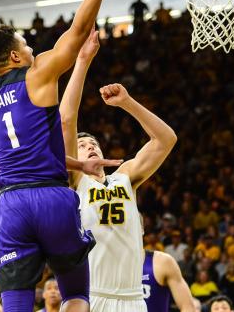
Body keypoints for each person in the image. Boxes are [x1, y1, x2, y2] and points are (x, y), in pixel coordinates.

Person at [0, 0, 121, 312]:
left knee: (17, 301)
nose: (31, 46)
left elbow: (25, 150)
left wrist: (75, 162)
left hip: (11, 205)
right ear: (13, 57)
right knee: (75, 294)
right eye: (25, 44)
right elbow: (76, 31)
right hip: (51, 199)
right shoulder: (37, 73)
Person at [59, 33, 177, 312]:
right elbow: (65, 121)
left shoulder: (124, 177)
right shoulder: (74, 182)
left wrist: (127, 103)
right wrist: (83, 61)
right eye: (82, 145)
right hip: (91, 296)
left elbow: (166, 140)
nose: (89, 147)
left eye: (94, 144)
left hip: (134, 299)